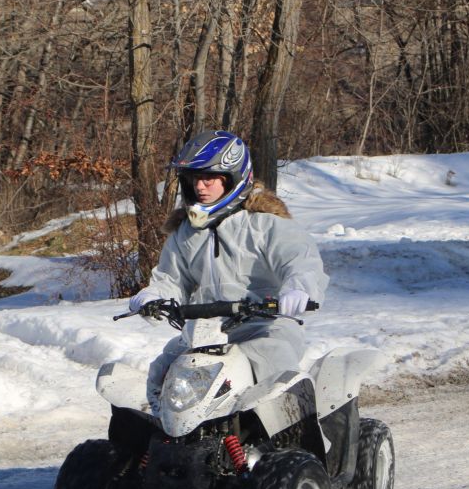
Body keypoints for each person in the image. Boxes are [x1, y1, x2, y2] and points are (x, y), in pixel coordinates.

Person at [129, 130, 329, 385]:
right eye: (194, 179)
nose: (199, 187)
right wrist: (153, 296)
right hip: (204, 333)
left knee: (273, 366)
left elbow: (300, 262)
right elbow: (171, 279)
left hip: (264, 328)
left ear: (232, 178)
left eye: (209, 178)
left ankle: (296, 425)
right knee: (162, 373)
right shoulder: (184, 234)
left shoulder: (266, 225)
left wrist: (298, 290)